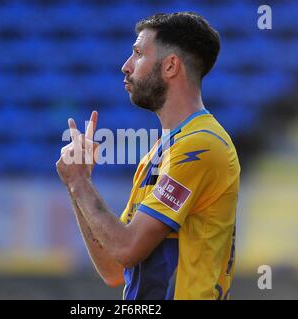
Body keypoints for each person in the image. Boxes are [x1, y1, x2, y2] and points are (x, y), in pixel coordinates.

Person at [56, 12, 240, 300]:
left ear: (170, 66)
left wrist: (78, 181)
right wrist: (78, 183)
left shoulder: (201, 145)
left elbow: (126, 248)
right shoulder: (159, 153)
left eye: (138, 54)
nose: (125, 66)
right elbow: (114, 269)